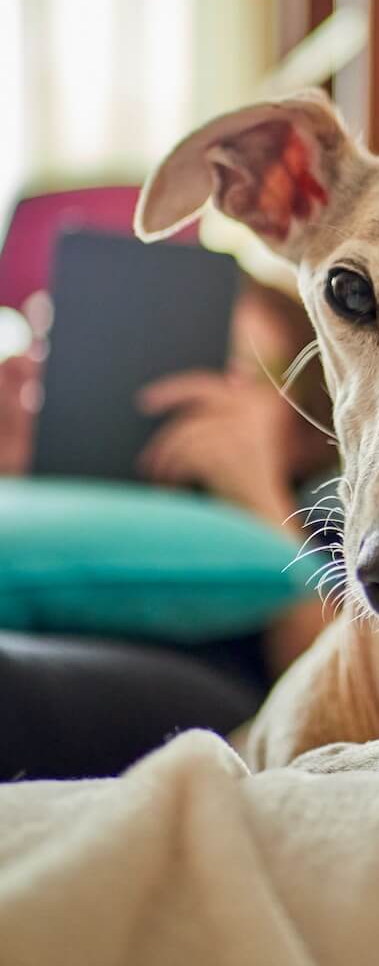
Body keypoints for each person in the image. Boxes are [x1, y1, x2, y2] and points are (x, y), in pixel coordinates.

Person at [0, 275, 340, 779]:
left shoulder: (325, 522)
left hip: (210, 671)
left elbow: (355, 694)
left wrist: (257, 497)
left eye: (223, 367)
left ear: (305, 431)